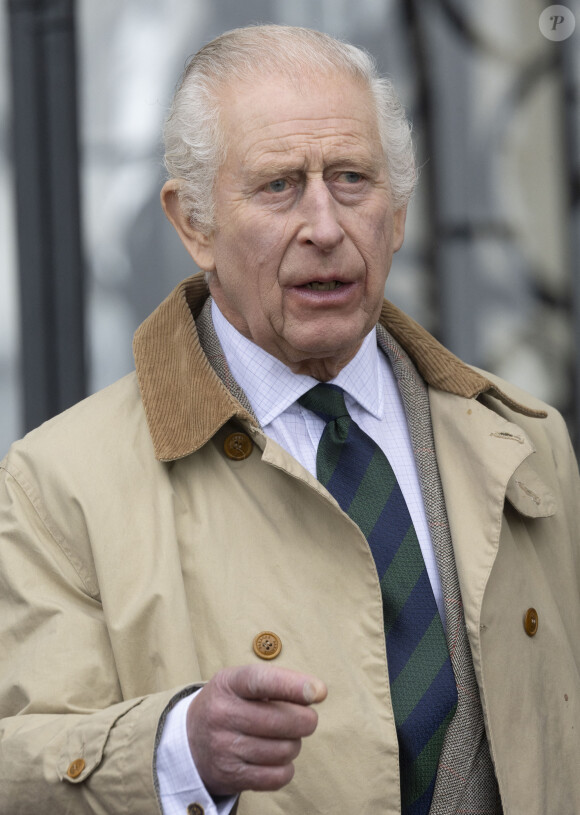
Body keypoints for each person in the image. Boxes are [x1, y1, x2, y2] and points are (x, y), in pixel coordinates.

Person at [0, 23, 579, 815]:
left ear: (399, 213)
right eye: (278, 185)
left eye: (351, 179)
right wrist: (178, 749)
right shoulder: (56, 483)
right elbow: (18, 766)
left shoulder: (525, 441)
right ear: (193, 223)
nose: (326, 226)